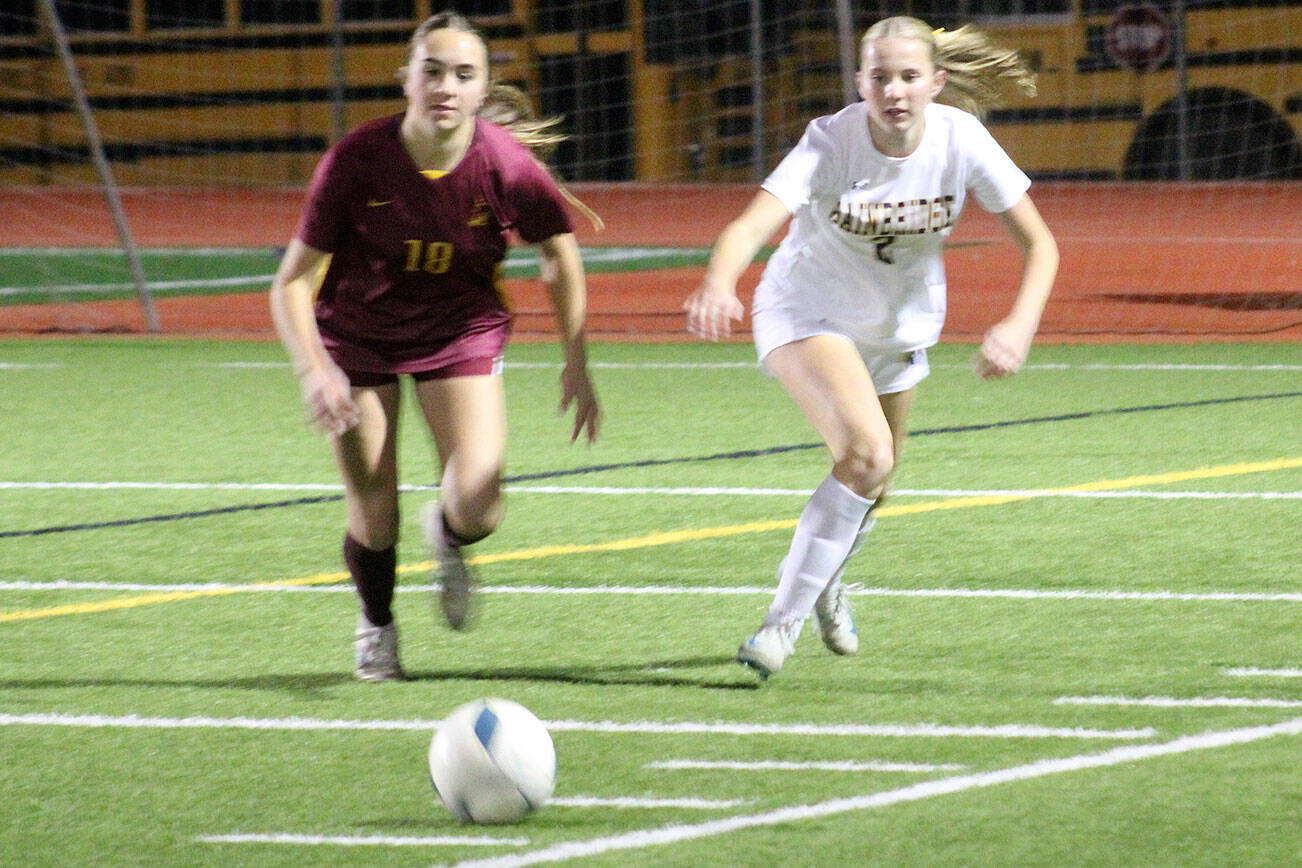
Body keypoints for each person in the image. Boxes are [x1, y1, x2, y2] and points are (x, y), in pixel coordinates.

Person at [683, 16, 1058, 678]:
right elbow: (749, 226)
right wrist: (718, 280)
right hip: (805, 311)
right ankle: (779, 626)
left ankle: (824, 572)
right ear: (859, 82)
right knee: (867, 453)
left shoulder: (961, 140)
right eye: (879, 77)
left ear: (936, 83)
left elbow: (1041, 244)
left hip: (896, 333)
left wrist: (1019, 325)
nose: (894, 90)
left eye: (909, 76)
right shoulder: (831, 141)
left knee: (872, 483)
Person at [270, 12, 601, 682]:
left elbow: (561, 260)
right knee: (374, 510)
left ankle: (449, 538)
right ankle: (377, 625)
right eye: (432, 70)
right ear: (406, 81)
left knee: (480, 501)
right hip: (360, 339)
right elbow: (290, 284)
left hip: (459, 334)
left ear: (482, 91)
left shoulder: (505, 166)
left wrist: (577, 360)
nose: (446, 85)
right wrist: (315, 370)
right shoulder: (358, 161)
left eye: (463, 74)